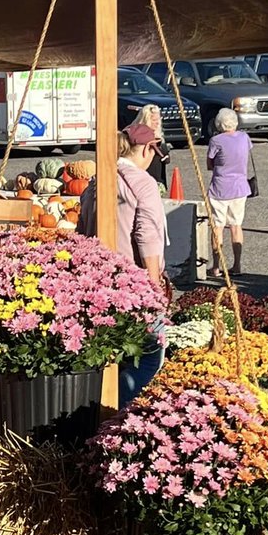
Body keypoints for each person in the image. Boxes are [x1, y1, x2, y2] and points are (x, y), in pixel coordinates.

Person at [78, 123, 167, 403]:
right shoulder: (142, 183)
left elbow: (80, 231)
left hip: (94, 284)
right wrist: (154, 288)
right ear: (147, 149)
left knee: (105, 355)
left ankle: (98, 407)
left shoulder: (96, 181)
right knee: (150, 355)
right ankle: (119, 409)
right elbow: (146, 234)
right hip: (132, 286)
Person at [206, 107, 253, 278]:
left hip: (220, 187)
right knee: (236, 225)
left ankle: (216, 266)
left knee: (217, 227)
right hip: (240, 187)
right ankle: (237, 264)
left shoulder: (216, 141)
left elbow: (209, 164)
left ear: (219, 124)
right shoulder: (244, 137)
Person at [130, 104, 171, 189]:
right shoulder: (137, 137)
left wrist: (166, 155)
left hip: (158, 179)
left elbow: (163, 153)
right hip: (143, 181)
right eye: (154, 120)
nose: (158, 123)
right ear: (146, 120)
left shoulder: (158, 135)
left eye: (158, 119)